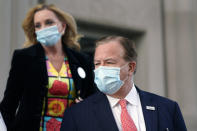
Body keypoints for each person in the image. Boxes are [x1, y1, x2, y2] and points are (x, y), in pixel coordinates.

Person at [0, 4, 97, 131]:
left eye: (49, 22)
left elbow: (93, 100)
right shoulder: (24, 58)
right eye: (38, 25)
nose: (43, 28)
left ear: (62, 27)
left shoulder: (82, 60)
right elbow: (9, 105)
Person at [61, 36, 187, 131]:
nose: (101, 69)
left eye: (109, 62)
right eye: (97, 63)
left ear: (131, 67)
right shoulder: (77, 114)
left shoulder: (168, 108)